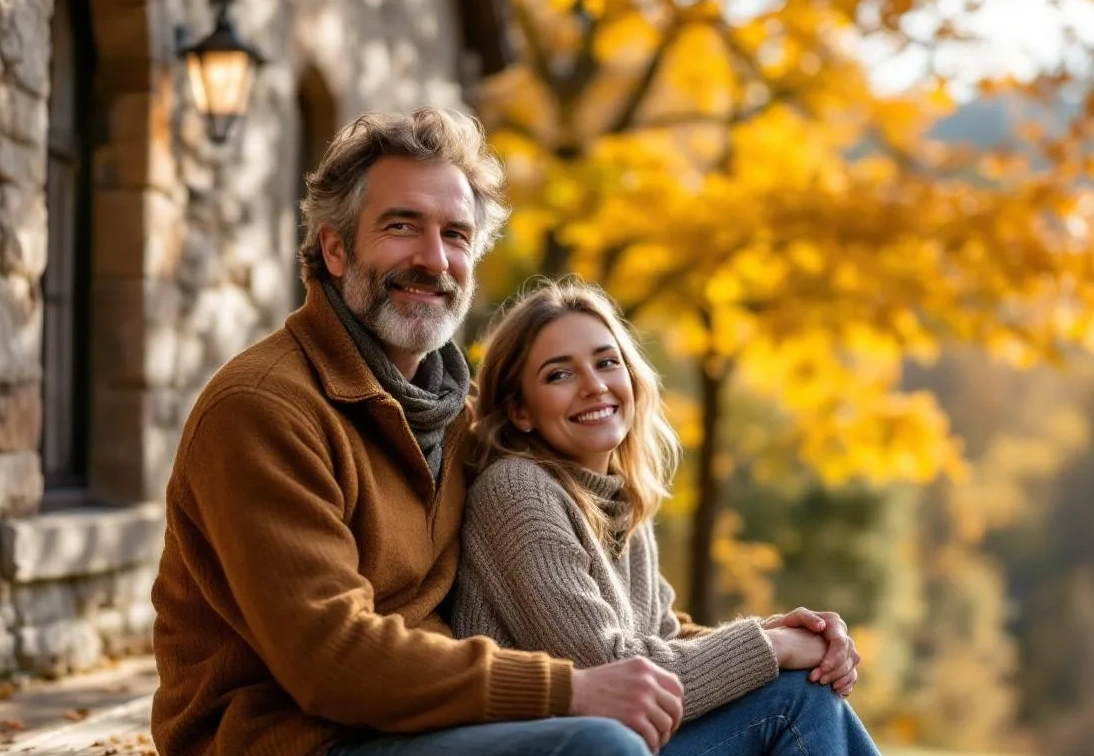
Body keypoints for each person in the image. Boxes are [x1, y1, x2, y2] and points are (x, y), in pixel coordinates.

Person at [150, 109, 684, 756]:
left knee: (788, 700)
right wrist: (566, 690)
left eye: (456, 235)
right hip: (300, 740)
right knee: (599, 746)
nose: (434, 260)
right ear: (335, 248)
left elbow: (598, 592)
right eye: (402, 226)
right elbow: (331, 660)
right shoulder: (264, 410)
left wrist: (765, 643)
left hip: (439, 726)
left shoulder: (459, 418)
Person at [453, 279, 882, 755]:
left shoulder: (617, 499)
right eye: (559, 375)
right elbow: (612, 670)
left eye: (606, 362)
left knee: (802, 687)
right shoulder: (517, 492)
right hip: (554, 747)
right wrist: (773, 649)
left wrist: (778, 634)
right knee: (796, 701)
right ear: (520, 412)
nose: (595, 386)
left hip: (624, 740)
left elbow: (663, 637)